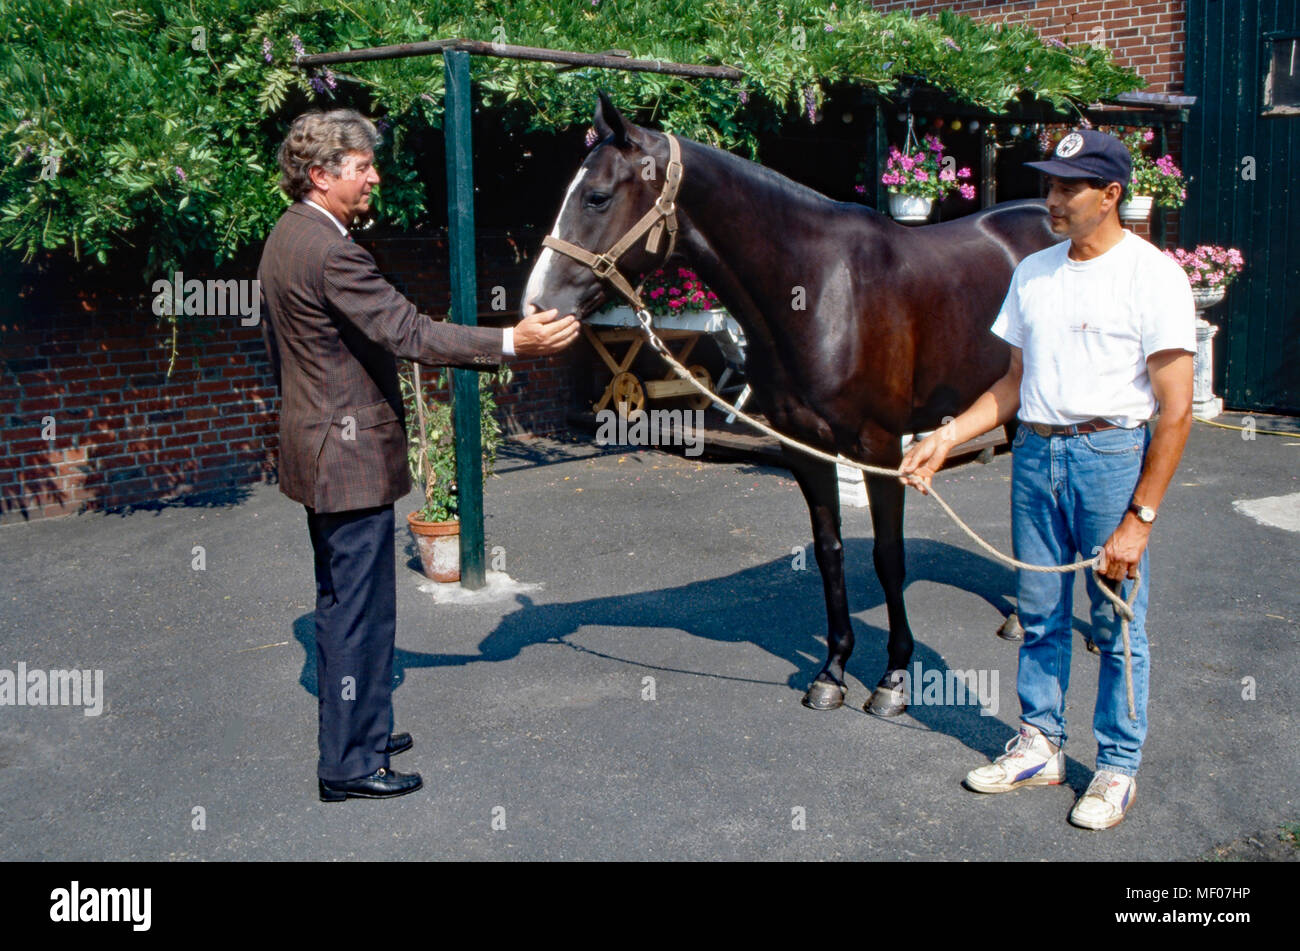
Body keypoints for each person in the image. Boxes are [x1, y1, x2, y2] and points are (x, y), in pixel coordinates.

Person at [257, 109, 579, 802]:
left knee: (343, 601)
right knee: (358, 611)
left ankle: (364, 728)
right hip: (345, 458)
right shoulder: (332, 250)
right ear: (320, 175)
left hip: (319, 450)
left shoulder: (289, 235)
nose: (374, 176)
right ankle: (348, 764)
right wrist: (513, 343)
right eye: (361, 166)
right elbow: (408, 331)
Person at [899, 129, 1195, 830]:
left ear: (1112, 194)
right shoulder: (1035, 271)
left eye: (1069, 187)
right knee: (1039, 612)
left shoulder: (1153, 276)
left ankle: (1117, 765)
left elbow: (1177, 412)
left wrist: (1139, 518)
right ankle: (1042, 744)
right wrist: (944, 436)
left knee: (1117, 620)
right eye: (1051, 184)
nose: (1052, 198)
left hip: (1110, 457)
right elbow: (1011, 385)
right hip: (1035, 454)